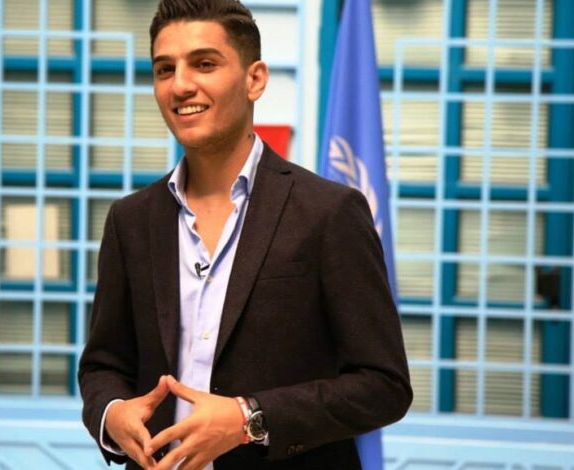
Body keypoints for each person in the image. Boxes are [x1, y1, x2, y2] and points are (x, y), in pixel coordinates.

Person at [77, 1, 412, 469]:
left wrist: (248, 418)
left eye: (204, 64)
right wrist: (112, 413)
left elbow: (383, 385)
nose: (180, 84)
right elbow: (103, 365)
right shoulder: (130, 220)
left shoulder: (330, 213)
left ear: (255, 79)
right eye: (164, 69)